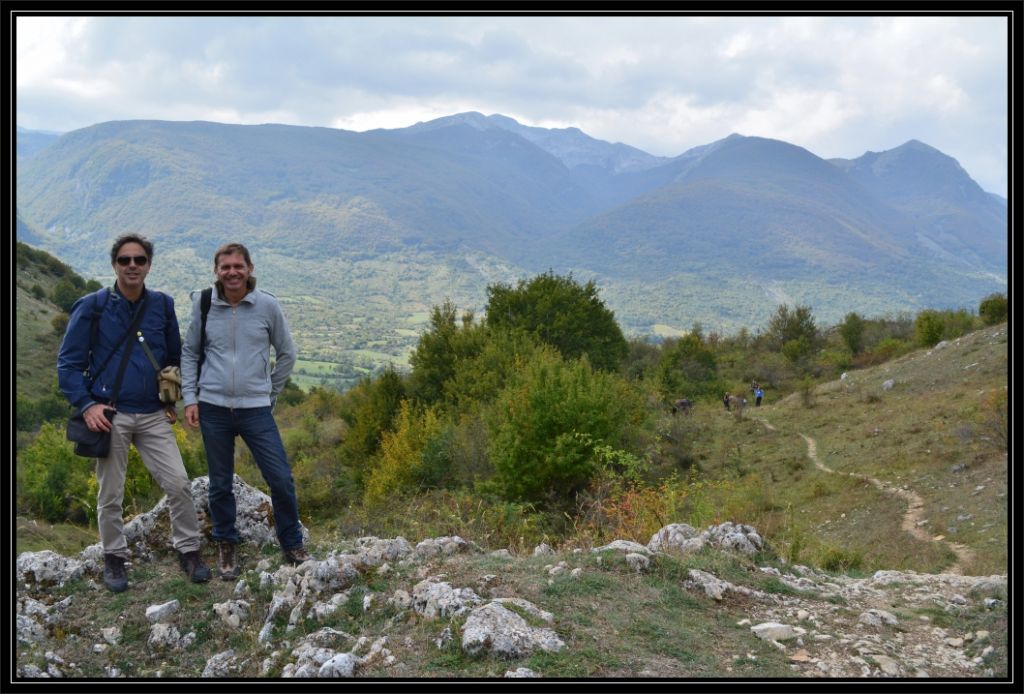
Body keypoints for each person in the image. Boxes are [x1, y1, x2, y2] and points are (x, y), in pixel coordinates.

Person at [57, 234, 211, 592]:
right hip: (111, 415)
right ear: (114, 265)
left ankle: (188, 551)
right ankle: (114, 559)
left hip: (153, 413)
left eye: (139, 260)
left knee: (178, 483)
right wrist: (87, 404)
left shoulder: (161, 305)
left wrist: (170, 399)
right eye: (125, 260)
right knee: (111, 493)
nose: (132, 266)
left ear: (148, 265)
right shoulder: (92, 306)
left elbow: (173, 356)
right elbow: (68, 364)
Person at [181, 242, 312, 579]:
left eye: (238, 266)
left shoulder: (266, 305)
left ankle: (291, 541)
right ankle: (226, 543)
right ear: (217, 271)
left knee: (280, 479)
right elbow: (190, 354)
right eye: (225, 267)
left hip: (256, 409)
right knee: (220, 483)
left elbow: (287, 354)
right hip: (213, 407)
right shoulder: (205, 303)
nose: (232, 272)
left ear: (250, 268)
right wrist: (190, 398)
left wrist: (270, 392)